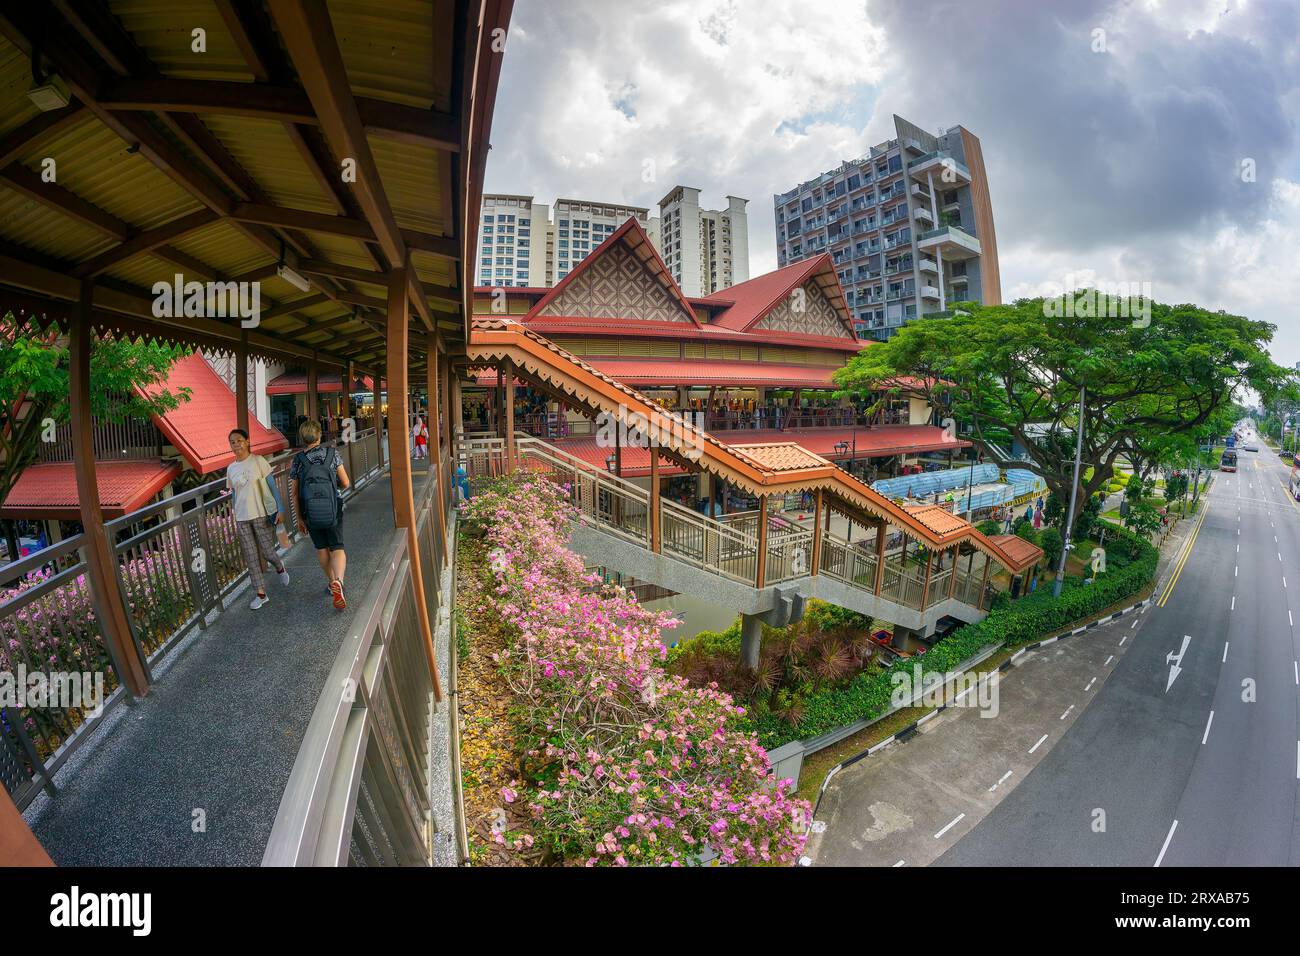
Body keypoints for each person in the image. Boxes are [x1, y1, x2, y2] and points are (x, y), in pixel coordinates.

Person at [290, 420, 352, 610]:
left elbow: (294, 493)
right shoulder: (332, 453)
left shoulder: (298, 460)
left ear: (302, 438)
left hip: (310, 512)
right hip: (333, 508)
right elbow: (345, 482)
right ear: (319, 436)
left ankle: (331, 581)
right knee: (337, 547)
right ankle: (339, 582)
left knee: (322, 549)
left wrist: (299, 518)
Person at [226, 429, 289, 610]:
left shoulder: (258, 461)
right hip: (242, 517)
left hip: (261, 514)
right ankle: (261, 594)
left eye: (239, 440)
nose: (236, 444)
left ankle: (279, 565)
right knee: (251, 556)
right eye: (232, 442)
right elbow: (234, 494)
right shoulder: (231, 469)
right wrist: (234, 515)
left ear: (247, 441)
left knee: (267, 552)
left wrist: (280, 508)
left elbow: (272, 486)